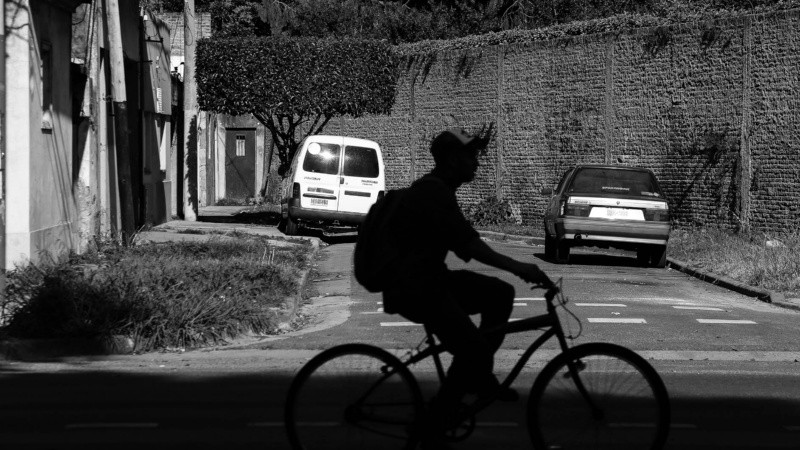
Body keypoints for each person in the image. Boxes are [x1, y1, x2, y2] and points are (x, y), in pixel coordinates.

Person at [379, 126, 552, 448]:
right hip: (416, 289)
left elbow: (462, 241)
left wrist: (514, 271)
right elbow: (470, 246)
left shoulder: (440, 189)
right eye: (470, 155)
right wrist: (519, 267)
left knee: (499, 293)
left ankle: (476, 378)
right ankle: (435, 422)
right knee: (471, 349)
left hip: (431, 281)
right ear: (450, 159)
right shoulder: (433, 192)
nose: (476, 162)